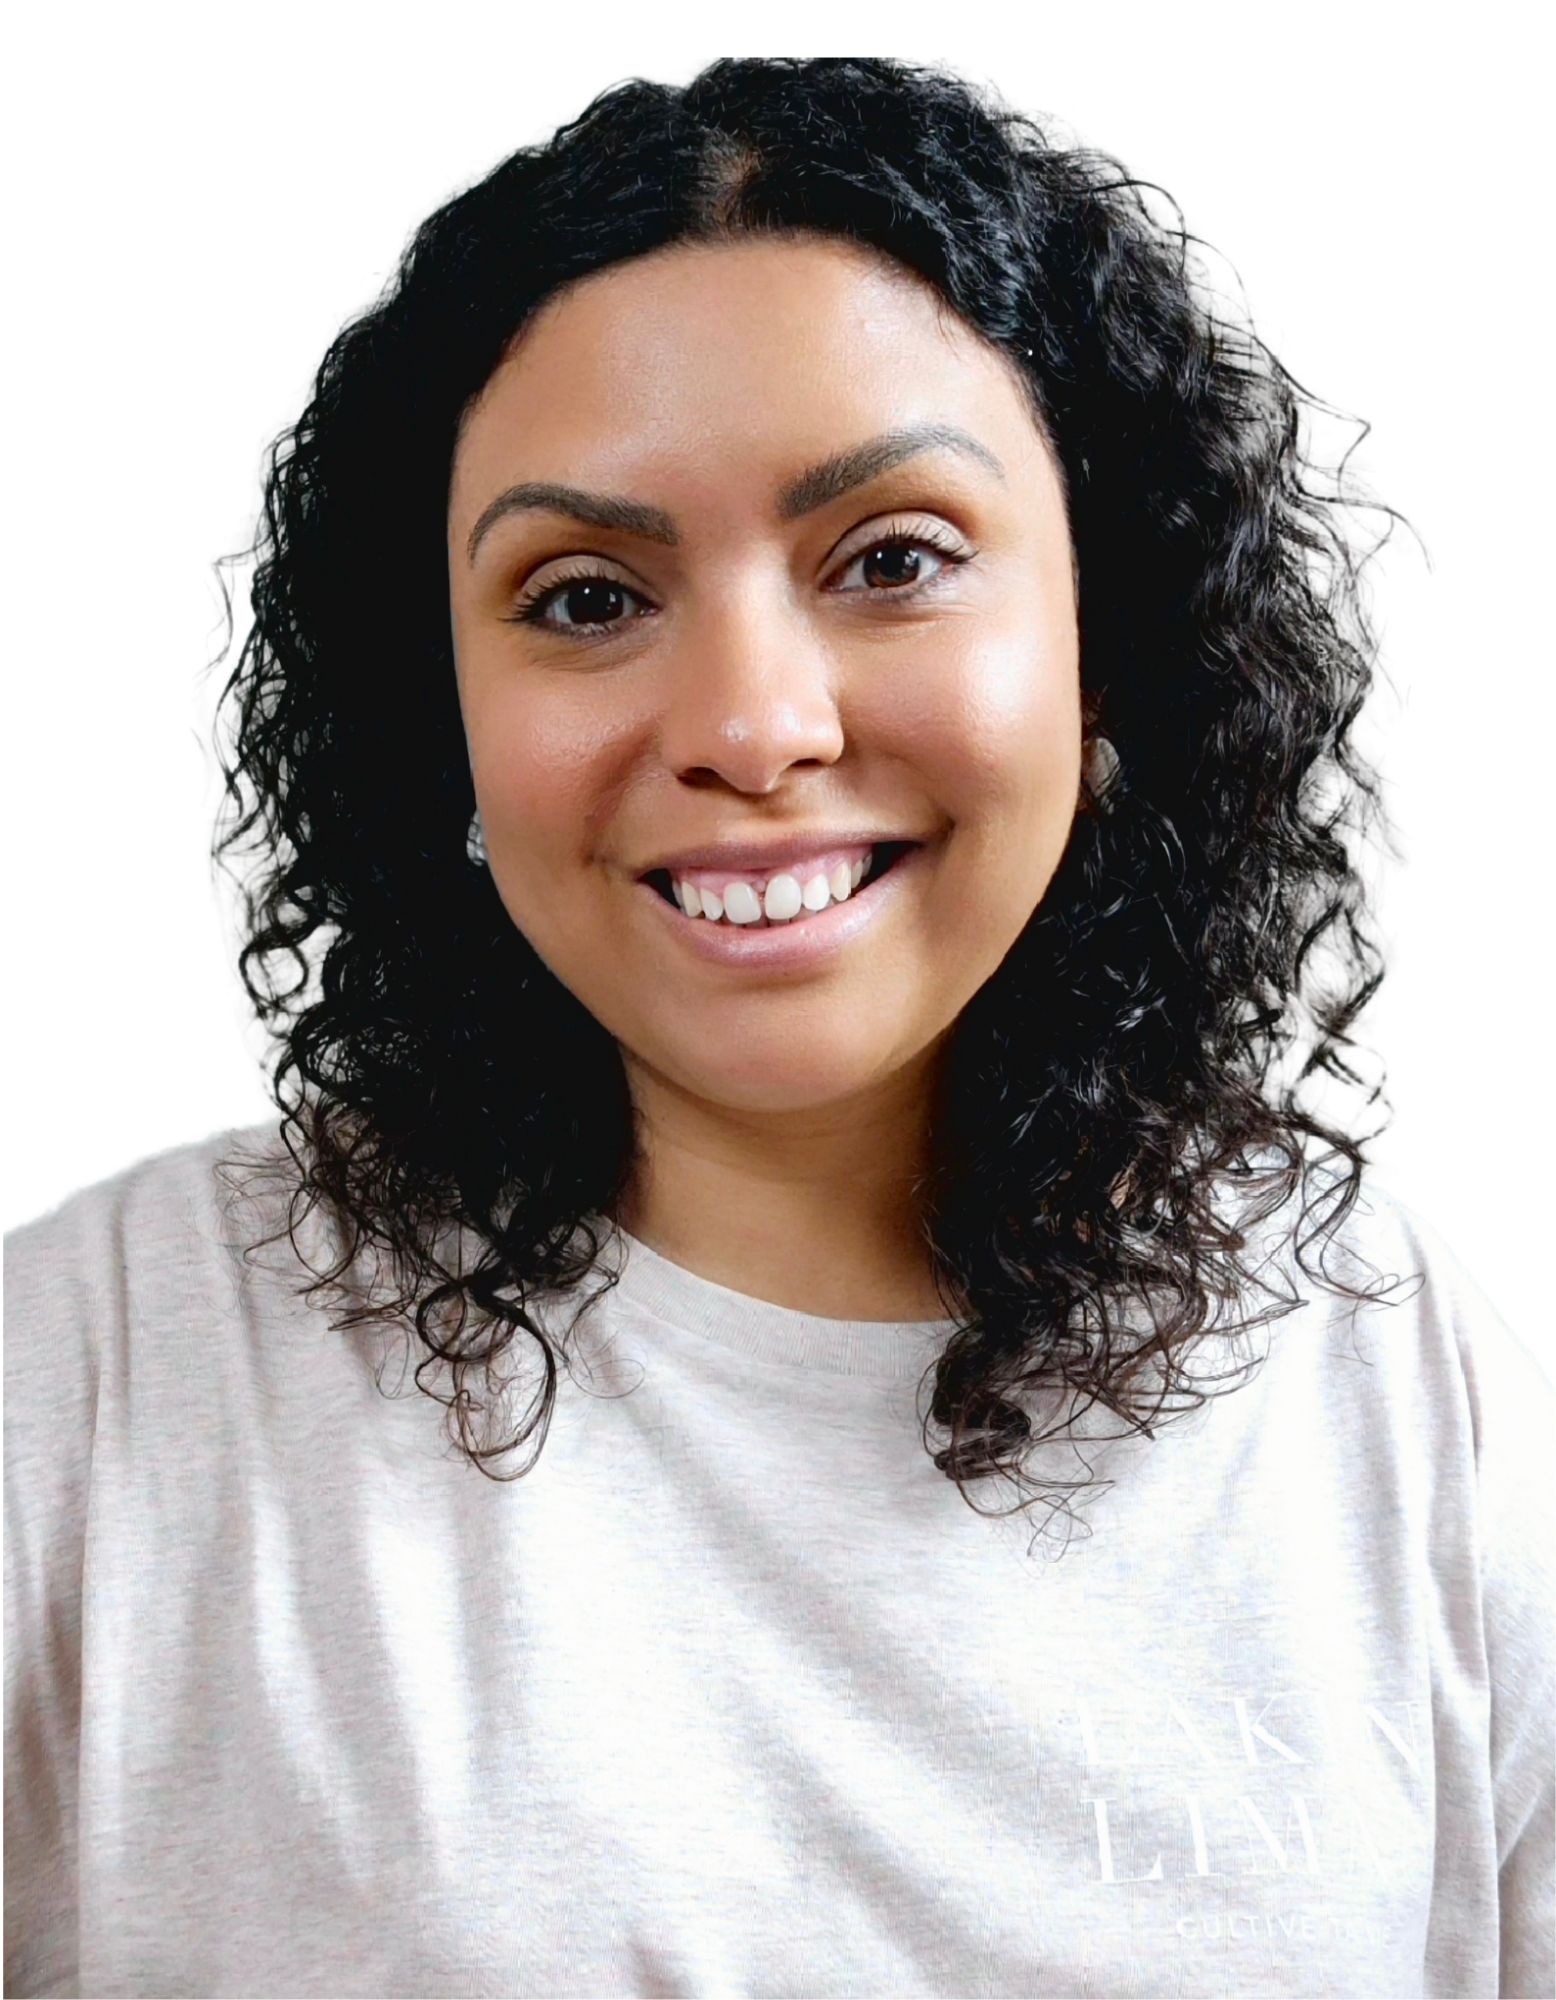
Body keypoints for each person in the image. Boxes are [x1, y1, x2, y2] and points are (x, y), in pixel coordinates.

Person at [5, 54, 1550, 2000]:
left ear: (1109, 631)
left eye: (892, 557)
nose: (751, 723)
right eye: (581, 596)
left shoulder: (1393, 1389)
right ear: (437, 711)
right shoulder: (96, 1385)